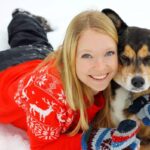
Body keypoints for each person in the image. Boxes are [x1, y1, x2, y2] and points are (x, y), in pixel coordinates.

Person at [0, 8, 143, 150]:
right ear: (70, 56)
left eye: (109, 53)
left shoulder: (108, 72)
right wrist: (91, 142)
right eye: (87, 55)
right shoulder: (47, 96)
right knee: (27, 41)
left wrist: (142, 100)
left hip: (39, 57)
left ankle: (24, 17)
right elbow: (43, 146)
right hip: (5, 70)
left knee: (30, 37)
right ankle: (22, 17)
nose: (100, 67)